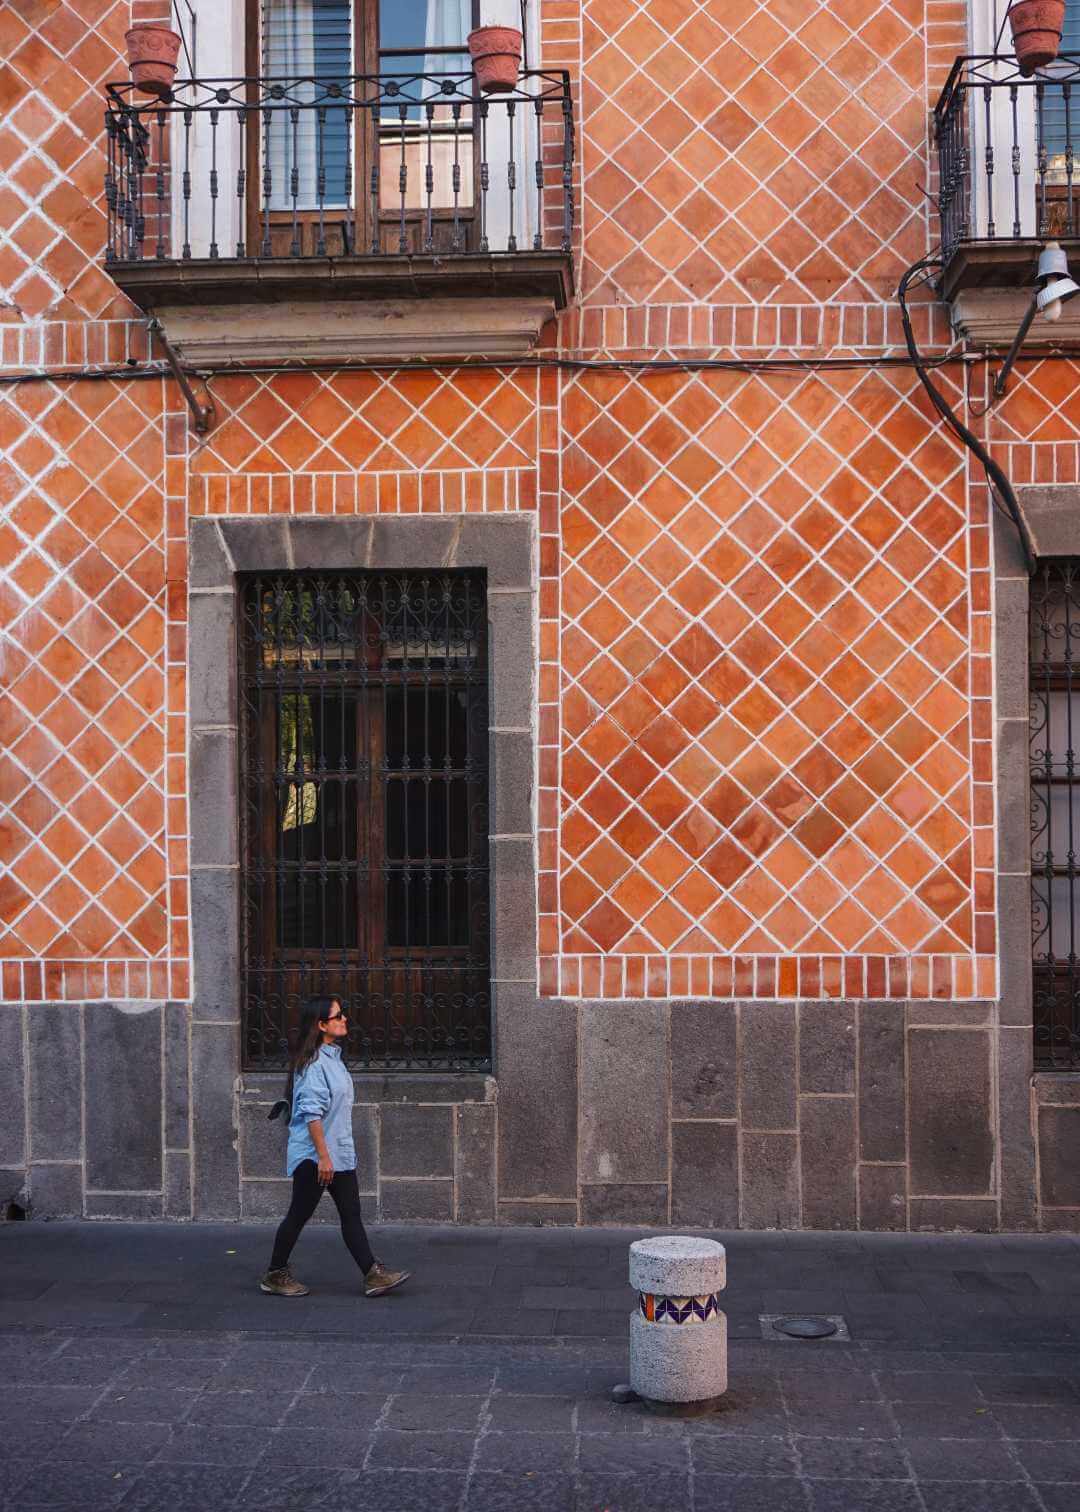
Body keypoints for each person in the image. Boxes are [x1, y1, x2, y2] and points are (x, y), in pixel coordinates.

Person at [260, 995, 410, 1299]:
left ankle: (372, 1274)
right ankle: (275, 1274)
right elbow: (311, 1114)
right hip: (316, 1157)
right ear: (321, 1024)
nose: (345, 1019)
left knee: (351, 1214)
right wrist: (323, 1158)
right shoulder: (314, 1065)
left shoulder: (331, 1057)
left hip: (336, 1153)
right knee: (298, 1215)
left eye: (343, 1014)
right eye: (338, 1015)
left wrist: (333, 1155)